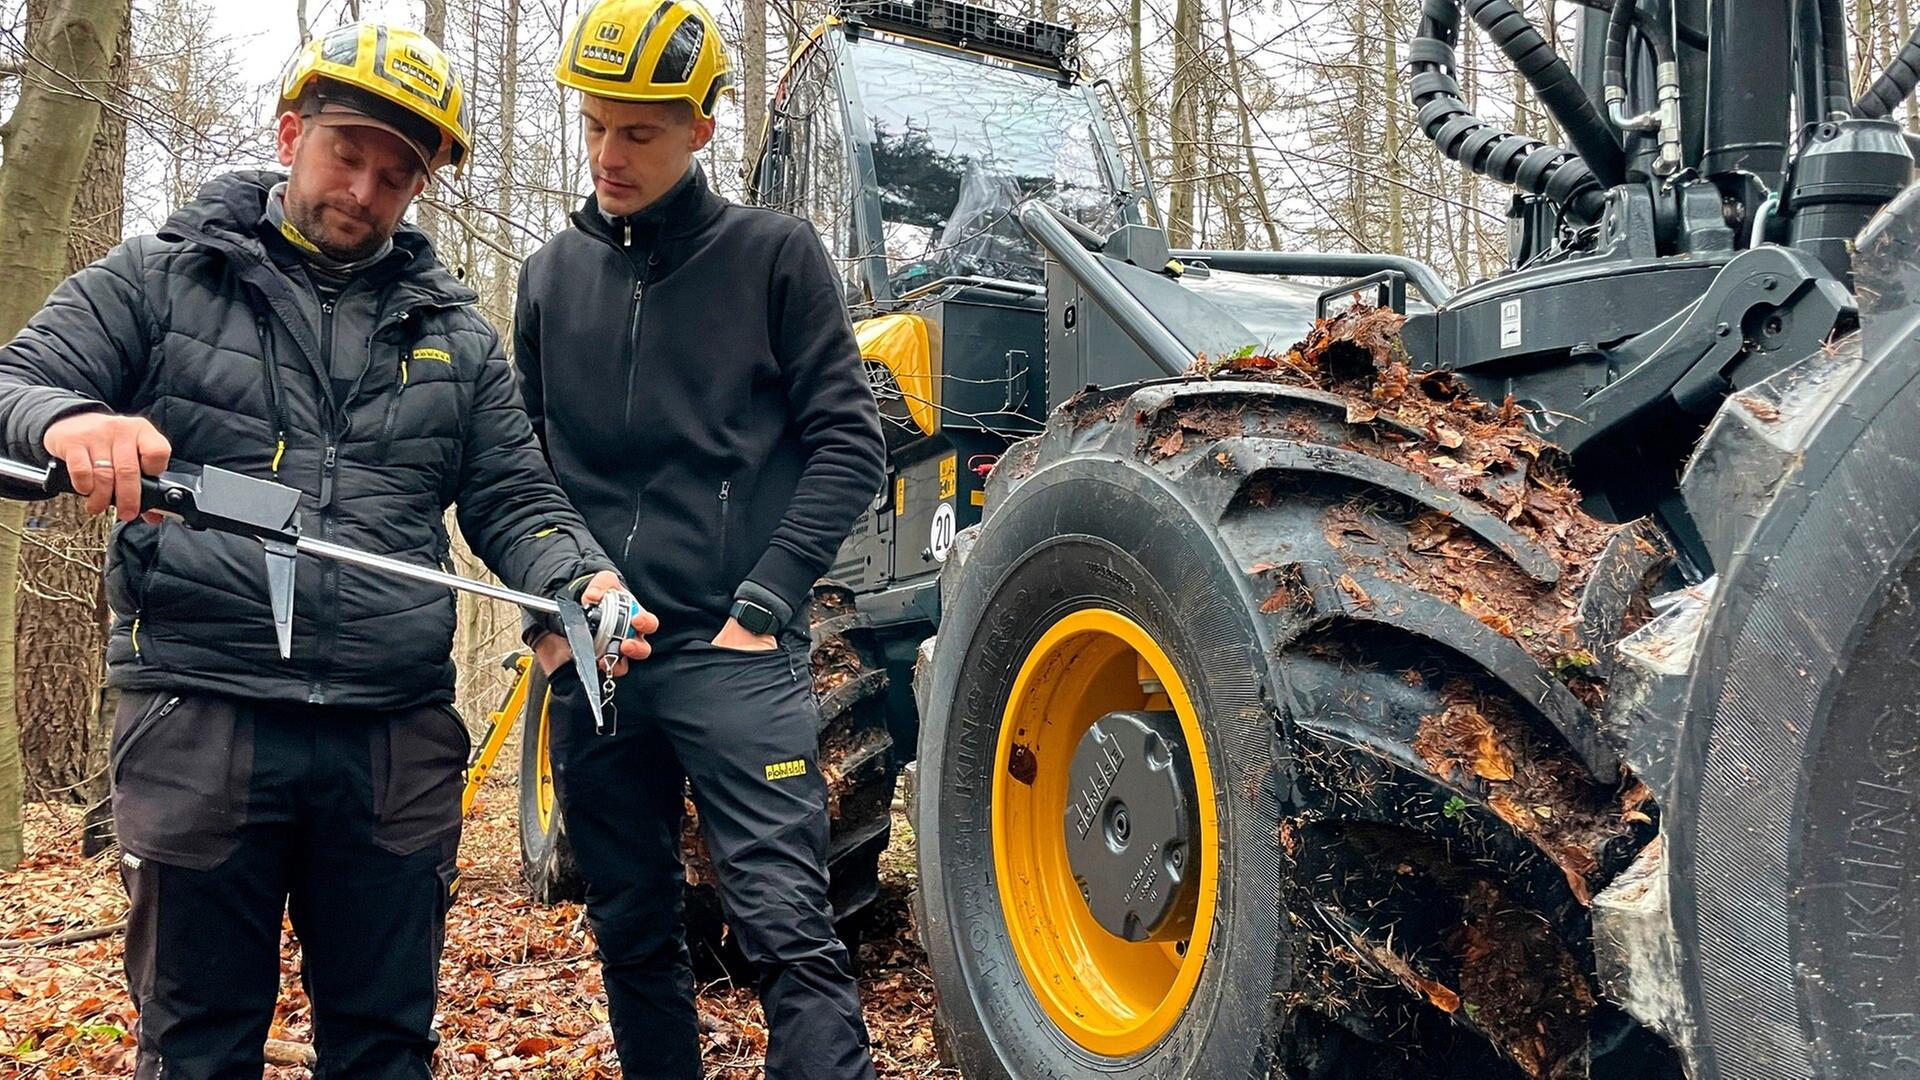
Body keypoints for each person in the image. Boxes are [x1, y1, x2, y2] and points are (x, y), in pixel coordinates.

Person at [0, 23, 654, 1079]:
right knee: (198, 1046)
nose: (364, 187)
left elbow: (518, 497)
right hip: (199, 713)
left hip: (389, 743)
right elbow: (14, 384)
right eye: (347, 154)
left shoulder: (458, 335)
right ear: (292, 131)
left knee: (387, 1045)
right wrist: (70, 420)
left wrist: (580, 578)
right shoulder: (164, 276)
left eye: (397, 174)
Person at [513, 1, 887, 1075]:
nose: (607, 155)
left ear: (701, 130)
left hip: (735, 655)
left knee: (786, 933)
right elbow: (518, 470)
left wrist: (763, 607)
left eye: (638, 131)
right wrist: (549, 622)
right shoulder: (548, 278)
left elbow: (849, 445)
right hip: (594, 658)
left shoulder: (773, 257)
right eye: (594, 126)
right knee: (632, 932)